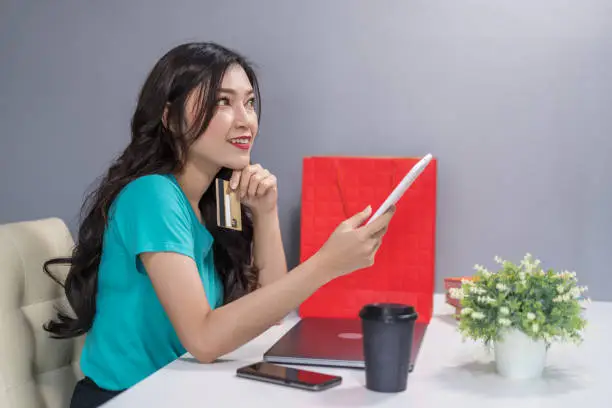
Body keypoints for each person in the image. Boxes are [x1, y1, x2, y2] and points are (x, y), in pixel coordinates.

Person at [43, 42, 395, 408]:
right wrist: (326, 265)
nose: (246, 120)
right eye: (221, 102)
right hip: (124, 399)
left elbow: (272, 312)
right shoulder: (152, 196)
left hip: (177, 393)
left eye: (250, 102)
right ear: (170, 117)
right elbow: (204, 340)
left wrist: (265, 212)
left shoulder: (210, 200)